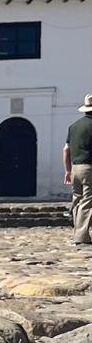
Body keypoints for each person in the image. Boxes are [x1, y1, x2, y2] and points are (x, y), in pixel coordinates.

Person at [62, 93, 92, 246]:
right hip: (89, 168)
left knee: (77, 200)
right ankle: (82, 236)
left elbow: (66, 150)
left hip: (75, 168)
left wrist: (67, 171)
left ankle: (77, 232)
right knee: (88, 202)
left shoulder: (73, 126)